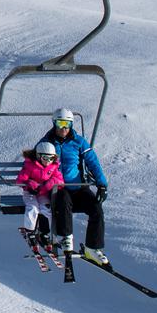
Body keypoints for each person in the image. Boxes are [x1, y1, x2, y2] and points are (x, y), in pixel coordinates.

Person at [41, 107, 110, 266]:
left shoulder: (79, 141)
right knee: (63, 200)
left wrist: (102, 184)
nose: (63, 128)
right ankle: (66, 238)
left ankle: (92, 248)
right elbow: (35, 161)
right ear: (54, 123)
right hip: (57, 187)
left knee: (96, 208)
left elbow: (93, 162)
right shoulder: (46, 142)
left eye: (67, 123)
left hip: (78, 187)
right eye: (60, 123)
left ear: (71, 124)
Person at [15, 141, 63, 238]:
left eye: (51, 158)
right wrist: (29, 184)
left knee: (47, 209)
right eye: (45, 158)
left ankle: (54, 234)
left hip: (43, 193)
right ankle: (29, 230)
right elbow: (20, 180)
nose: (48, 161)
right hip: (30, 193)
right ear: (38, 156)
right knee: (33, 208)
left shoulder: (53, 167)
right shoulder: (30, 165)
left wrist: (48, 184)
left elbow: (60, 181)